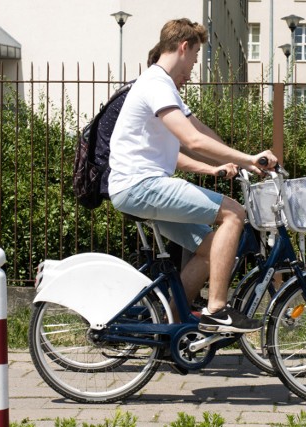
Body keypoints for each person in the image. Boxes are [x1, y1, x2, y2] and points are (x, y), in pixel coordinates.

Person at [108, 18, 278, 334]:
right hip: (141, 186)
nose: (193, 70)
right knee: (233, 214)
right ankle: (216, 309)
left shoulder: (163, 88)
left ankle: (173, 326)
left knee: (209, 247)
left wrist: (243, 162)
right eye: (196, 59)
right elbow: (194, 142)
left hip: (140, 186)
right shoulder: (156, 84)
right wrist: (247, 159)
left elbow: (201, 131)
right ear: (184, 48)